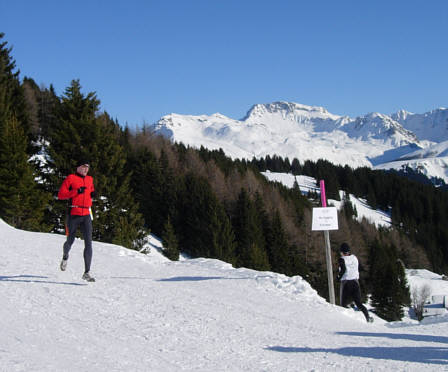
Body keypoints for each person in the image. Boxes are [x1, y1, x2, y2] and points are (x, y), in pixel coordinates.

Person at [58, 160, 96, 282]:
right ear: (78, 168)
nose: (86, 170)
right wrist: (75, 192)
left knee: (89, 243)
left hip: (86, 214)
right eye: (84, 167)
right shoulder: (71, 178)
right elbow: (61, 195)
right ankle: (65, 256)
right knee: (70, 240)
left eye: (87, 167)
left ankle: (87, 272)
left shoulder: (90, 179)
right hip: (73, 214)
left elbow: (91, 190)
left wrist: (93, 194)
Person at [337, 243, 373, 323]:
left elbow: (343, 270)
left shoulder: (342, 259)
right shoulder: (354, 258)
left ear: (342, 251)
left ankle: (344, 321)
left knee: (343, 303)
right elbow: (359, 268)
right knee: (359, 303)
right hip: (355, 282)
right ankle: (368, 317)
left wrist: (338, 277)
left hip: (346, 282)